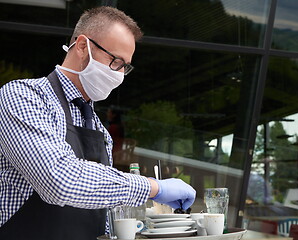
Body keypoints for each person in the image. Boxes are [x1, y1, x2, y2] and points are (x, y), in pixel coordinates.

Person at [0, 6, 196, 240]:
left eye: (125, 67)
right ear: (83, 46)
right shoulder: (23, 97)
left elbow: (99, 211)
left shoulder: (100, 131)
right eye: (115, 61)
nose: (119, 74)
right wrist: (153, 188)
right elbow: (59, 180)